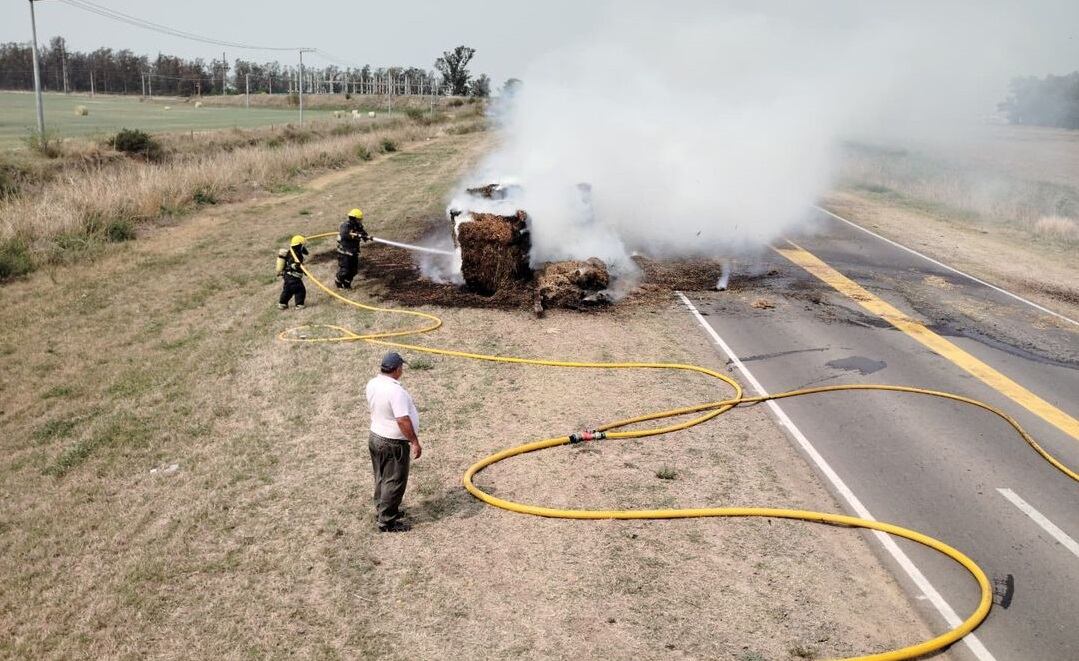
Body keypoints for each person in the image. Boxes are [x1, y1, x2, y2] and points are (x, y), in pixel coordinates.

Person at [365, 351, 422, 532]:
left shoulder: (373, 383)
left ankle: (383, 509)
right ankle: (387, 521)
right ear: (397, 369)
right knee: (394, 481)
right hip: (392, 443)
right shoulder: (396, 391)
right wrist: (414, 441)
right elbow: (402, 420)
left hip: (375, 436)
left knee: (381, 477)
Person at [335, 208, 371, 289]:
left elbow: (362, 232)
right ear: (354, 218)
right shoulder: (345, 225)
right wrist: (356, 234)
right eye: (359, 219)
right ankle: (338, 281)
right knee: (345, 271)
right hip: (344, 253)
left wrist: (365, 236)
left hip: (354, 252)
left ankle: (347, 284)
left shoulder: (358, 225)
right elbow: (345, 235)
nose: (360, 221)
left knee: (354, 271)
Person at [278, 235, 309, 310]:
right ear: (299, 245)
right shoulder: (295, 255)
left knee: (288, 290)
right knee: (300, 290)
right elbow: (293, 265)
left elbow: (305, 252)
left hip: (288, 276)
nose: (303, 247)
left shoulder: (292, 252)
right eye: (302, 245)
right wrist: (297, 266)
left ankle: (282, 303)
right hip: (293, 277)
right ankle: (299, 304)